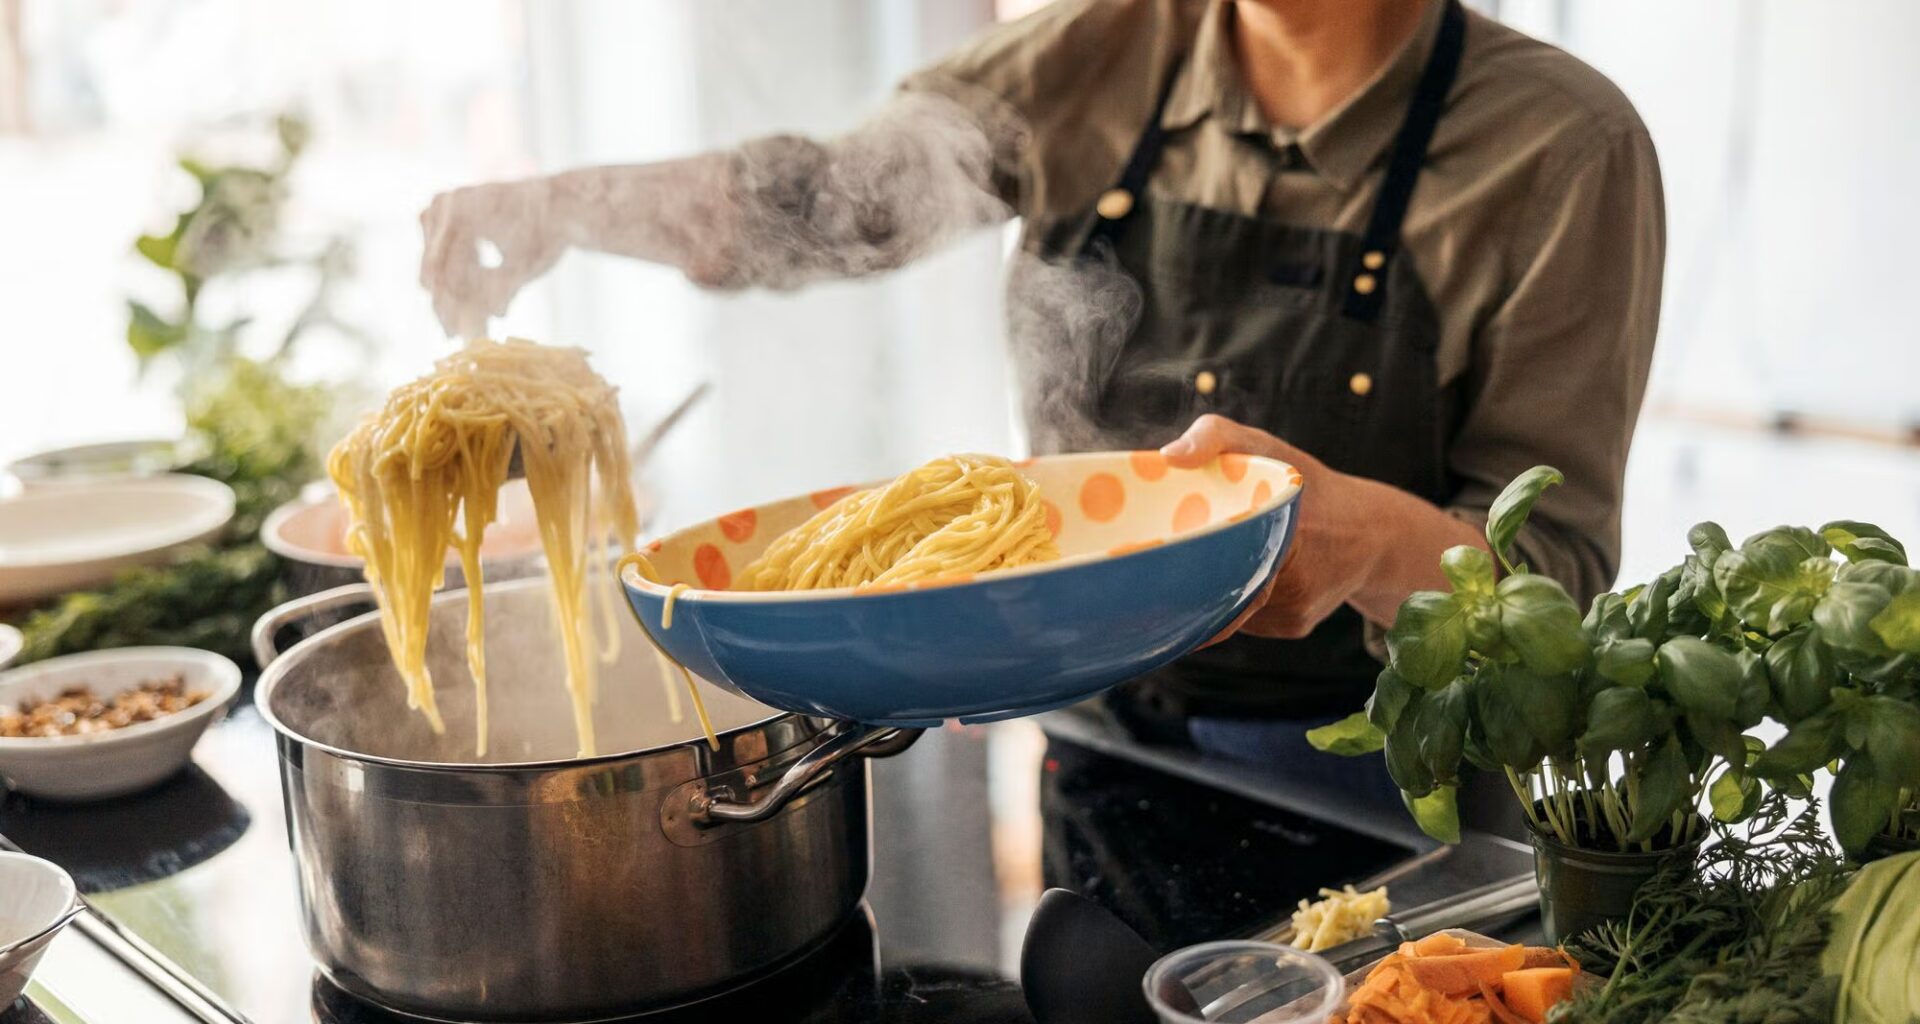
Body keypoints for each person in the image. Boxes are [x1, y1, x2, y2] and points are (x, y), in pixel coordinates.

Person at [419, 0, 1663, 835]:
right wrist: (560, 207)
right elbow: (833, 202)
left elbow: (1551, 595)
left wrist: (1364, 544)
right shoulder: (1111, 44)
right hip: (1099, 747)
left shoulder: (1559, 148)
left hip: (1389, 797)